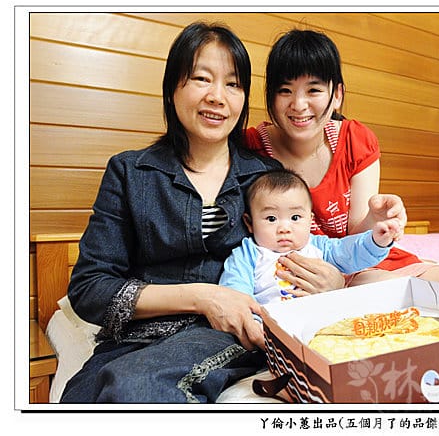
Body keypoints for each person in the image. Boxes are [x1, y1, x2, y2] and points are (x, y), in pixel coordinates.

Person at [60, 22, 282, 404]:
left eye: (232, 84)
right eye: (201, 78)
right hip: (134, 339)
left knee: (135, 387)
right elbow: (89, 288)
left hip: (227, 334)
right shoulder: (130, 172)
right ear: (172, 87)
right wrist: (201, 296)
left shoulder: (264, 179)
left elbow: (297, 251)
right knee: (81, 398)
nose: (217, 97)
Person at [244, 29, 439, 291]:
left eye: (314, 90)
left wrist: (376, 217)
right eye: (285, 90)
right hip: (292, 276)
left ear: (337, 94)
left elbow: (360, 238)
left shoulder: (355, 140)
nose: (299, 104)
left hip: (362, 263)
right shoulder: (250, 147)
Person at [219, 169, 399, 305]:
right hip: (270, 329)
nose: (284, 228)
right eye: (271, 219)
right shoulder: (247, 255)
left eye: (295, 218)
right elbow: (236, 293)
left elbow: (350, 252)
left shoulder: (319, 246)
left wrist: (376, 241)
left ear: (310, 220)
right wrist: (255, 323)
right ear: (249, 223)